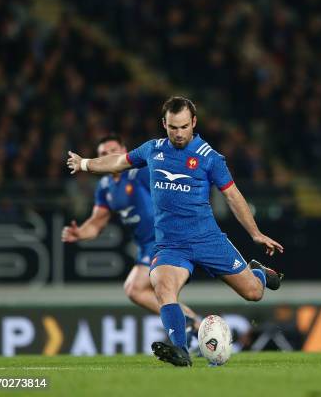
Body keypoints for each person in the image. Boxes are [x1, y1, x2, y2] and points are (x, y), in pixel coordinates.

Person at [66, 96, 284, 367]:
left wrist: (255, 233)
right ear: (164, 124)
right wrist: (85, 163)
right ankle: (180, 348)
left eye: (183, 127)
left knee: (253, 293)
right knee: (163, 286)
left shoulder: (210, 158)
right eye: (173, 127)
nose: (179, 134)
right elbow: (118, 162)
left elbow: (233, 196)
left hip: (208, 239)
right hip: (171, 245)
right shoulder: (152, 150)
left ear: (193, 122)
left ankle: (259, 273)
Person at [61, 135, 200, 330]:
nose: (107, 156)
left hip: (164, 238)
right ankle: (195, 326)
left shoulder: (139, 172)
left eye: (112, 151)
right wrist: (80, 233)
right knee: (142, 291)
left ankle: (188, 325)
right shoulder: (104, 187)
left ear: (124, 150)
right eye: (102, 154)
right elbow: (96, 223)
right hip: (146, 245)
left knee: (136, 288)